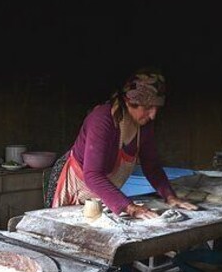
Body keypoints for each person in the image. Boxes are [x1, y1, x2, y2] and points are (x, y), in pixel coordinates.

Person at [46, 67, 197, 218]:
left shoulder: (144, 125)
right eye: (148, 107)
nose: (153, 115)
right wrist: (130, 207)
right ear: (129, 102)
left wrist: (170, 196)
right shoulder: (102, 120)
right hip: (73, 185)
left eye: (157, 108)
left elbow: (152, 166)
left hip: (99, 192)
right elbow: (92, 174)